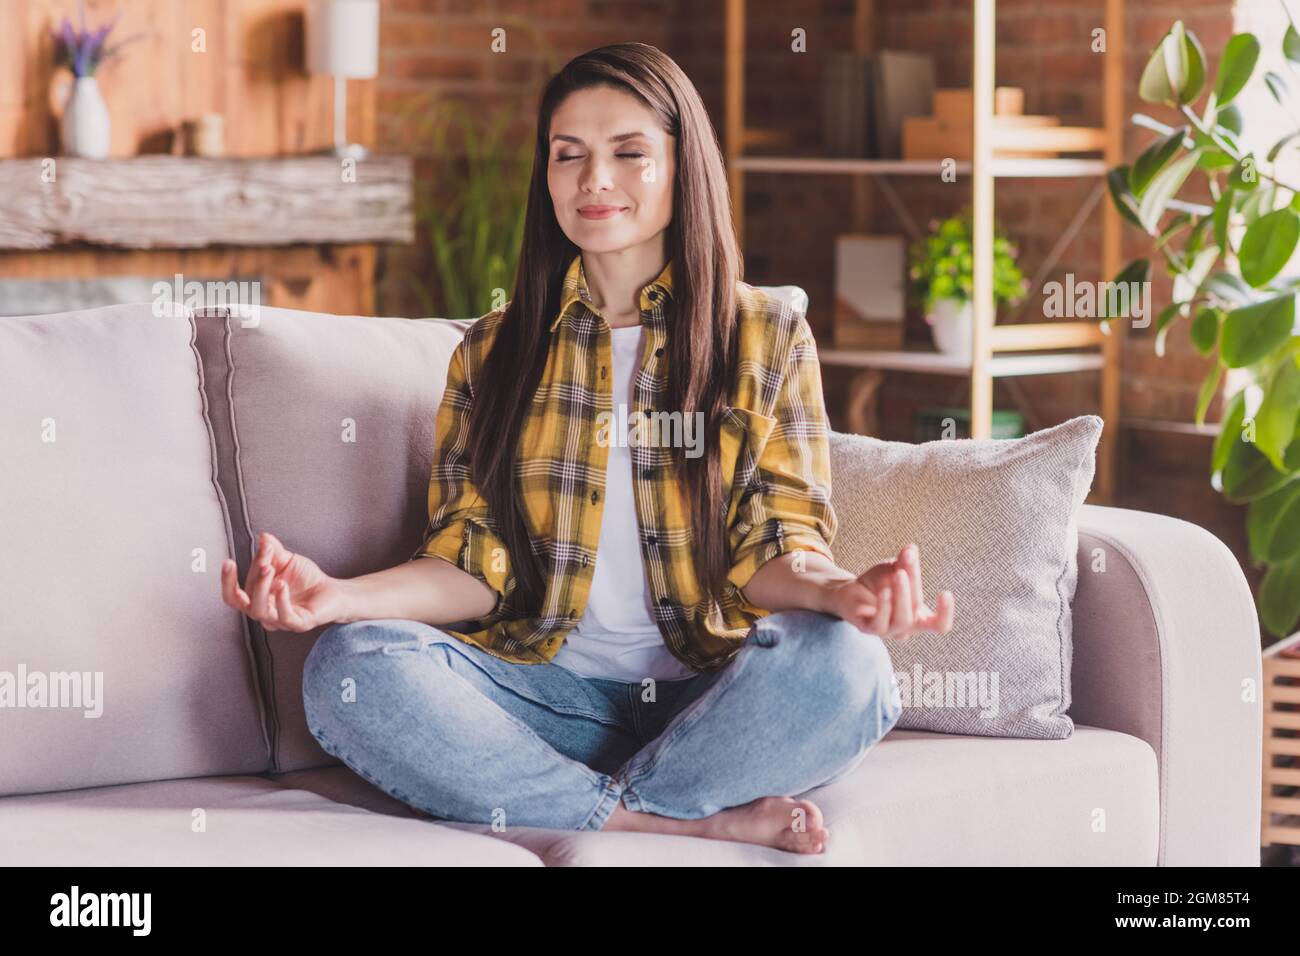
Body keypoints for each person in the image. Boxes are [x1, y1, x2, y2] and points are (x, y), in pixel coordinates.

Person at [220, 42, 954, 856]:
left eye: (628, 153)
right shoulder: (494, 352)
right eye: (568, 155)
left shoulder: (767, 335)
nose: (593, 180)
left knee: (850, 667)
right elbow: (473, 563)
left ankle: (586, 803)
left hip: (712, 696)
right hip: (540, 694)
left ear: (682, 166)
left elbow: (774, 545)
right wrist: (340, 598)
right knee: (349, 668)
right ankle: (661, 817)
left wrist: (846, 593)